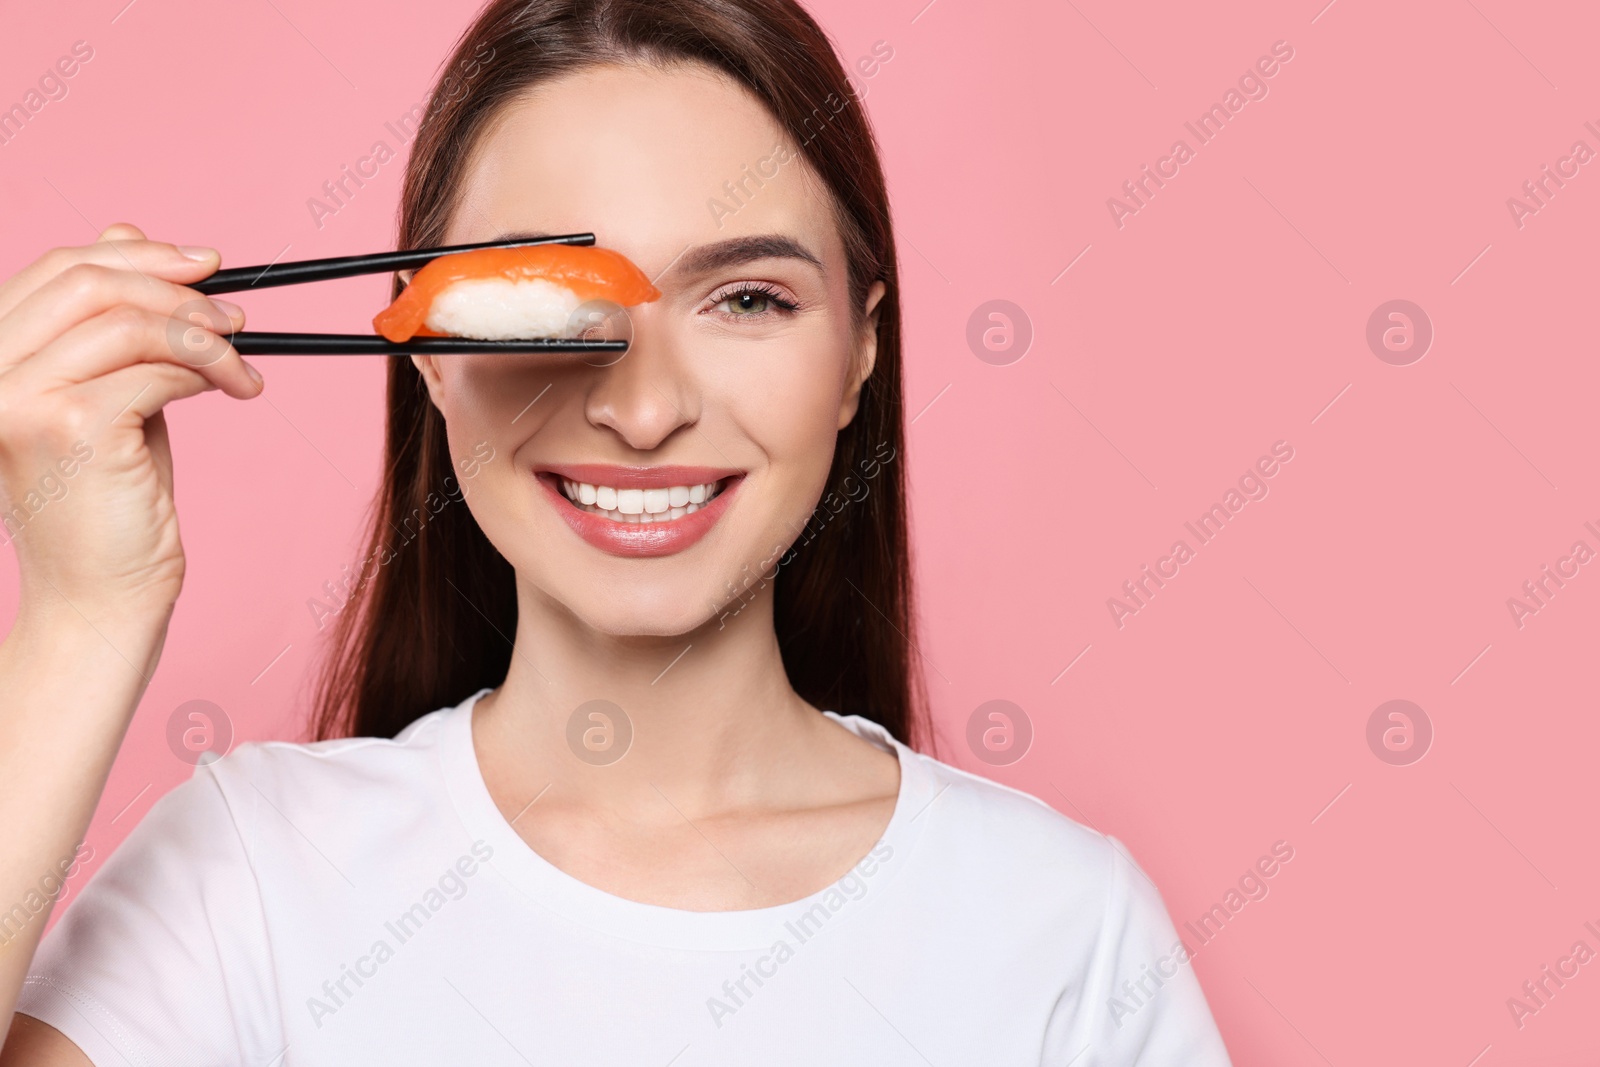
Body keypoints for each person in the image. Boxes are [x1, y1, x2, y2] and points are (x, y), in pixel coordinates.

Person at [0, 0, 1232, 1062]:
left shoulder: (1062, 925)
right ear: (426, 356)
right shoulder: (254, 876)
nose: (643, 409)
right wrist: (83, 613)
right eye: (540, 300)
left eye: (748, 298)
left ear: (859, 348)